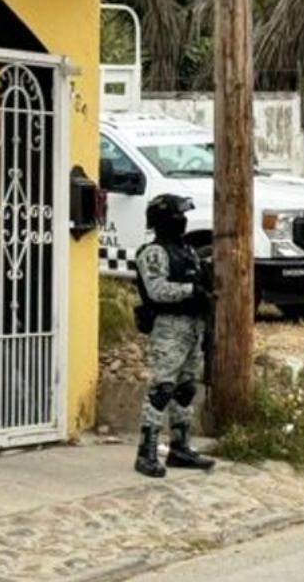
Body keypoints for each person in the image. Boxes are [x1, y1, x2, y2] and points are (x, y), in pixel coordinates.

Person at [133, 194, 215, 477]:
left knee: (185, 389)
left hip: (193, 326)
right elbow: (157, 290)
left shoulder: (188, 251)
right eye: (177, 216)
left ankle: (180, 447)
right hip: (169, 327)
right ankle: (147, 452)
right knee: (162, 389)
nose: (182, 220)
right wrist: (191, 291)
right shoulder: (153, 253)